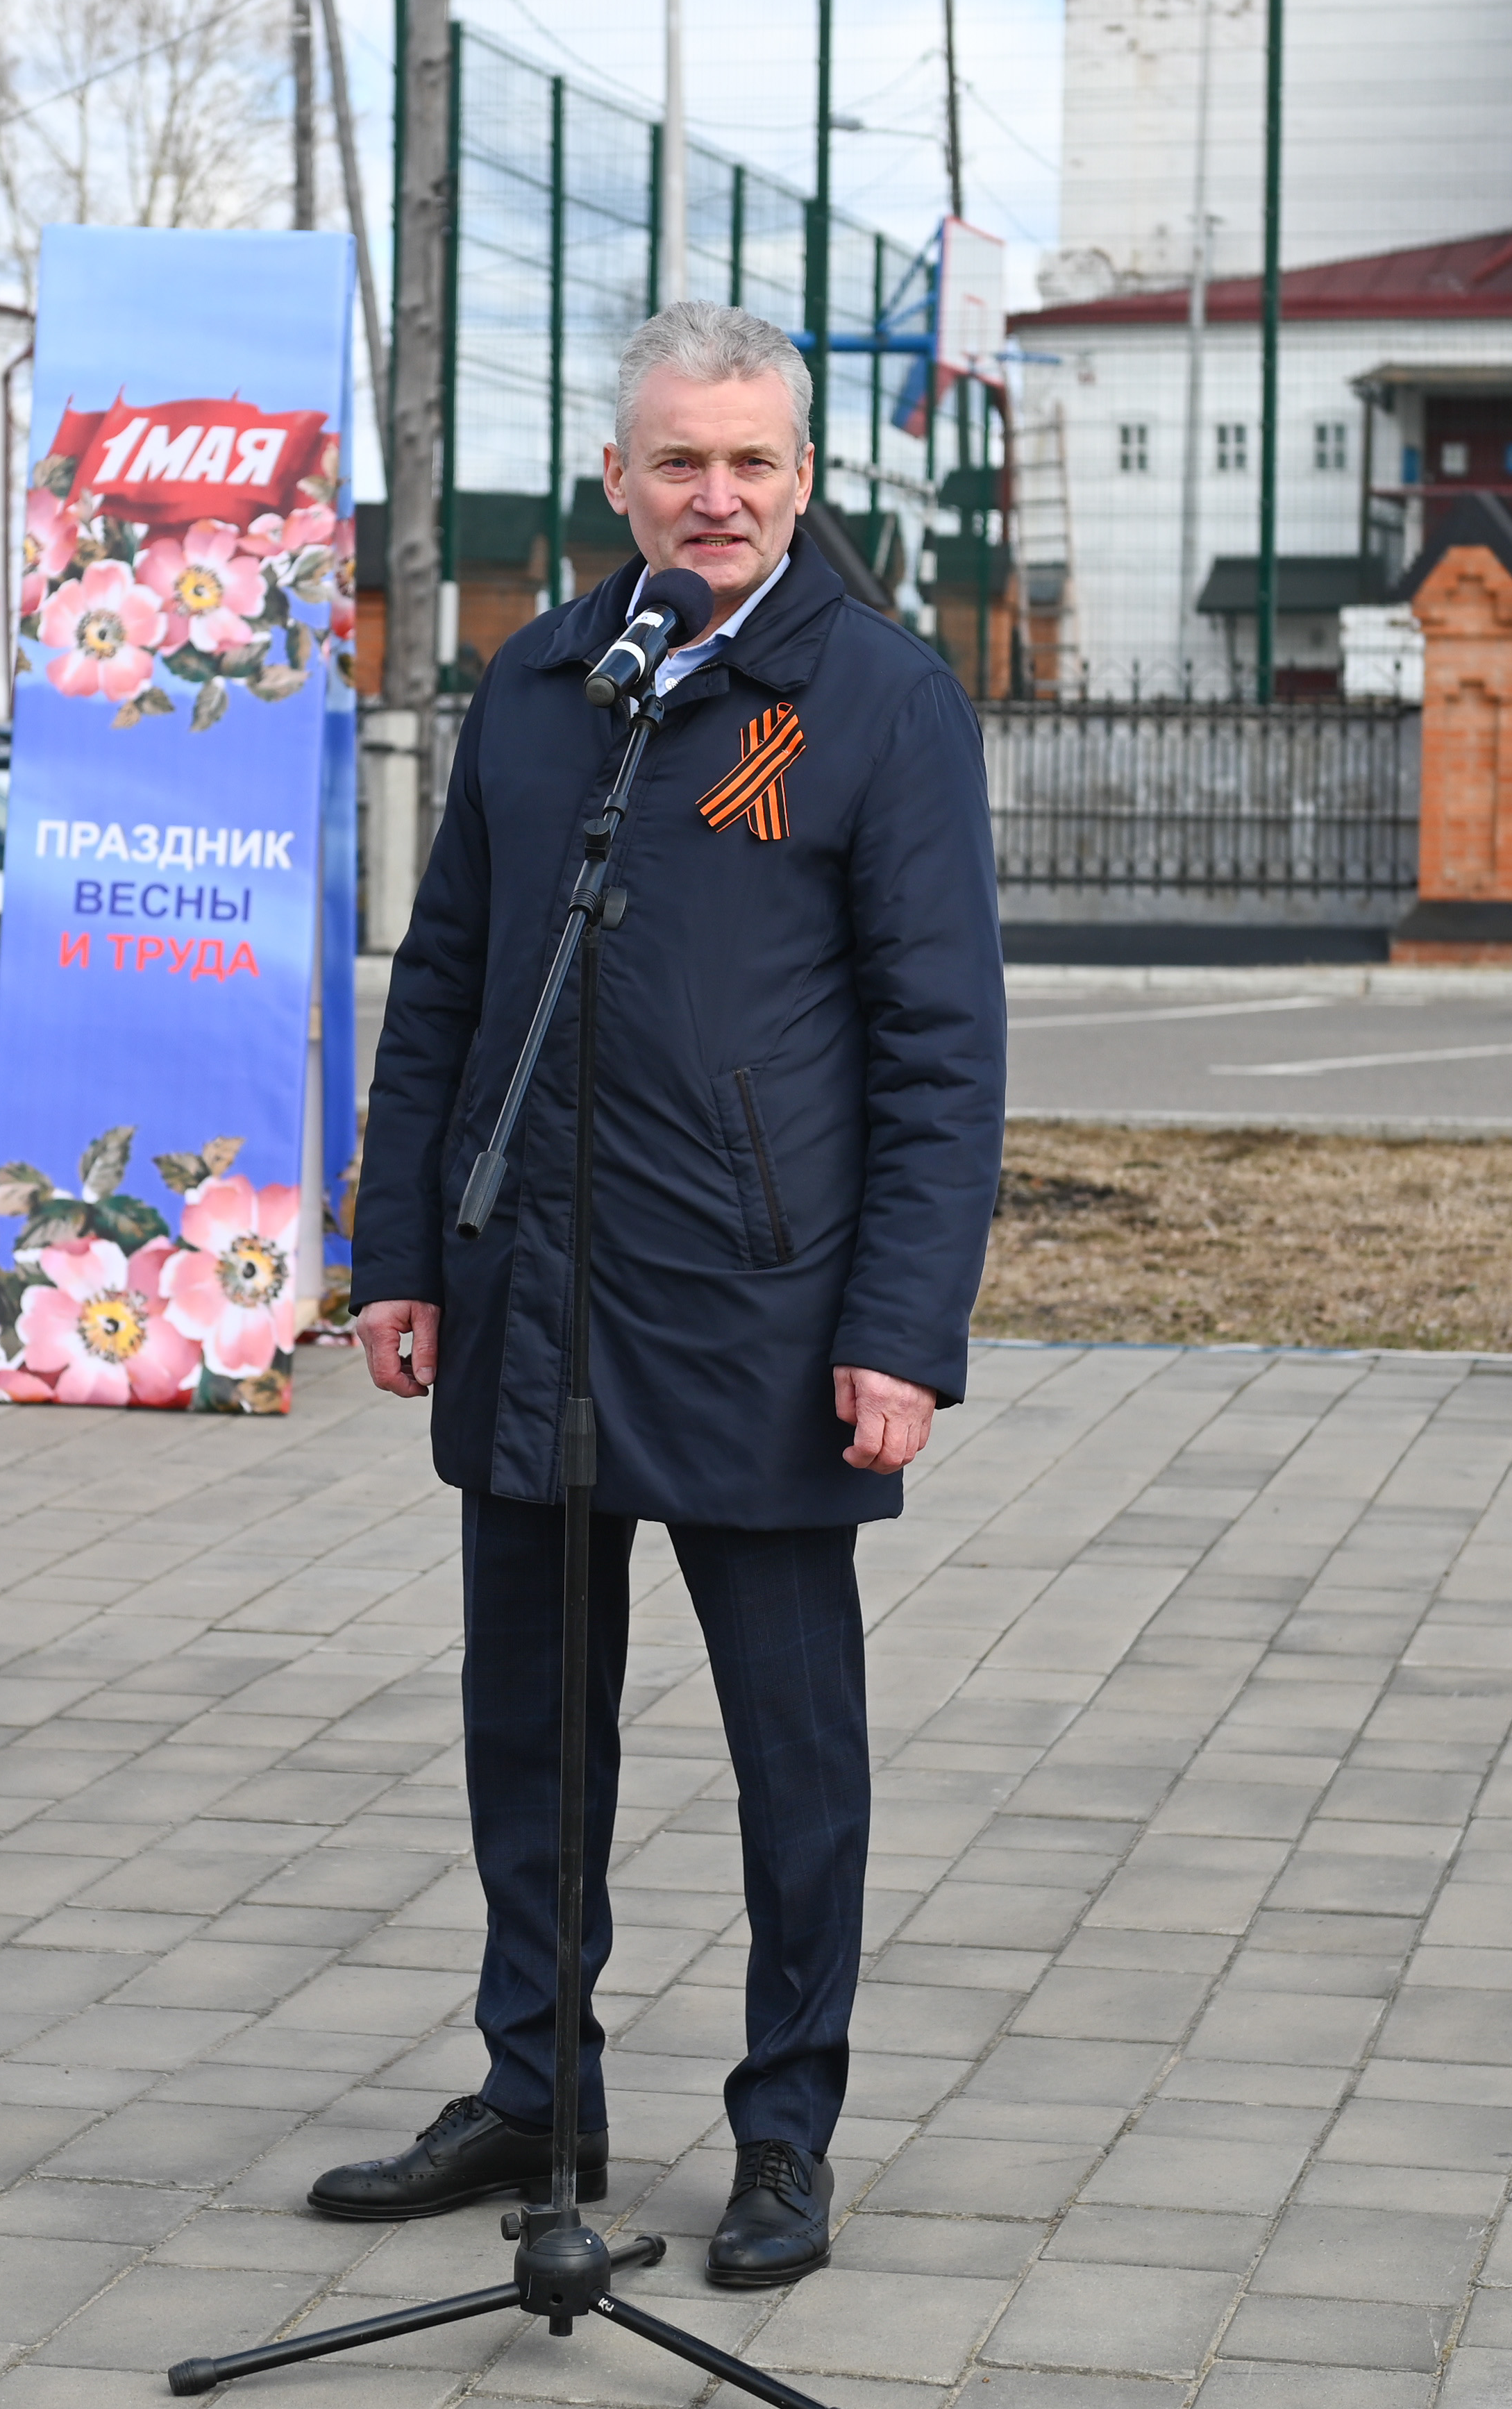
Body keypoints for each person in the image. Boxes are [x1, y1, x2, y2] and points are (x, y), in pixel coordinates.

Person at [317, 301, 1007, 2289]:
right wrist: (400, 1255)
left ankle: (784, 2132)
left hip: (765, 1319)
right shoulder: (541, 685)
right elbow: (444, 982)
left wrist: (903, 1326)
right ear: (615, 481)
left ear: (805, 481)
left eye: (753, 463)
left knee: (798, 1751)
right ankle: (538, 2089)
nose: (717, 496)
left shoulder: (873, 702)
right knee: (530, 1733)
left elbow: (940, 1046)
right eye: (680, 462)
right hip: (527, 1291)